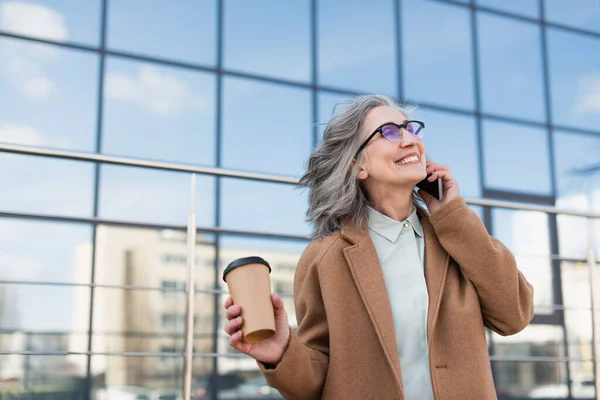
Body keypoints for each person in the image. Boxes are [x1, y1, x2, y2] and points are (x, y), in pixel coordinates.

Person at [223, 94, 534, 400]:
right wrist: (281, 352)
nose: (410, 139)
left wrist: (452, 215)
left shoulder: (456, 236)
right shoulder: (324, 258)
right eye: (389, 132)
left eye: (411, 129)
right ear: (358, 165)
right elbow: (317, 381)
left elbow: (515, 314)